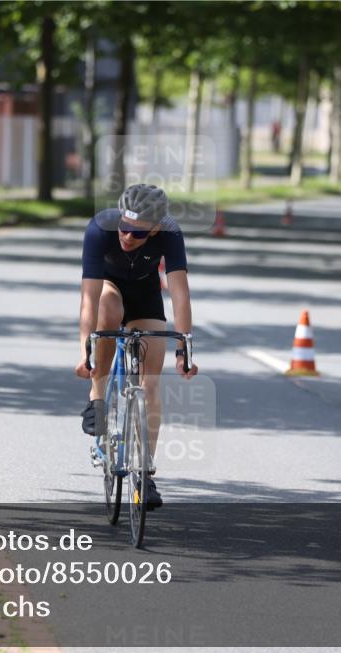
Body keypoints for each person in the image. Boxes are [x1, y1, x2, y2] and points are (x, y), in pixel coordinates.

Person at [75, 184, 199, 510]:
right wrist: (83, 352)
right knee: (107, 310)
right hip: (109, 288)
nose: (127, 237)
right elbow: (88, 299)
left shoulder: (170, 234)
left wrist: (184, 350)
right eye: (125, 227)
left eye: (138, 234)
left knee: (152, 381)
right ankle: (97, 397)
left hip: (145, 295)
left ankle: (145, 473)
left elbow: (180, 294)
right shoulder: (101, 228)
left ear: (156, 228)